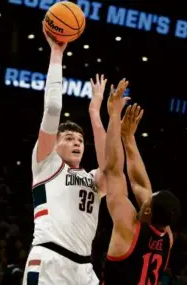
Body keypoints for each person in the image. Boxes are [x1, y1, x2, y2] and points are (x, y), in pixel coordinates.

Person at [22, 28, 106, 285]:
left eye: (80, 140)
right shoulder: (46, 163)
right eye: (69, 139)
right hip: (49, 260)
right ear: (54, 145)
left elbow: (111, 167)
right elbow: (53, 108)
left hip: (84, 269)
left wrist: (95, 113)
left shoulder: (94, 179)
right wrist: (57, 53)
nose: (76, 143)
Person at [103, 81, 181, 285]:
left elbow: (114, 172)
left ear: (147, 211)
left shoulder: (128, 228)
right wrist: (128, 138)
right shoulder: (167, 238)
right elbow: (141, 185)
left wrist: (113, 115)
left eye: (149, 200)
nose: (146, 196)